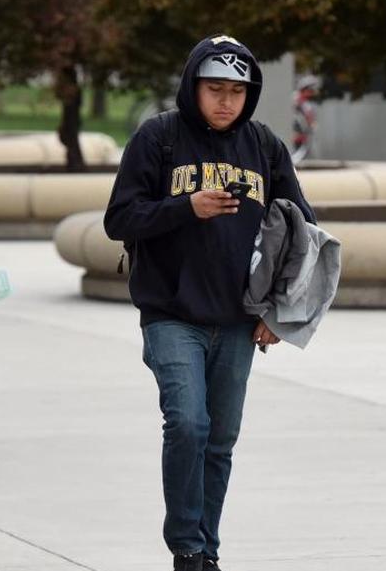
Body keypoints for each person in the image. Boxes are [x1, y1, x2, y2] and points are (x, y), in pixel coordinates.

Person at [103, 35, 315, 571]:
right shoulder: (159, 139)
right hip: (171, 314)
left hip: (239, 321)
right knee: (189, 424)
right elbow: (119, 219)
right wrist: (185, 207)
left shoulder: (264, 146)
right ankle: (187, 545)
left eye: (237, 92)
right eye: (214, 89)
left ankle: (206, 550)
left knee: (219, 440)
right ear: (193, 86)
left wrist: (277, 311)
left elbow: (301, 229)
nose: (225, 101)